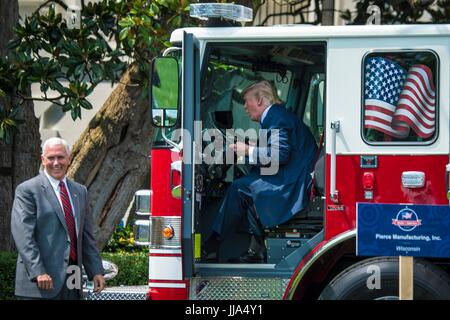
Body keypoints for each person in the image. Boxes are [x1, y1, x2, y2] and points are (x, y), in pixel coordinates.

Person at [203, 80, 317, 263]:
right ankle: (255, 249)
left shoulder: (276, 117)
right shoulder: (277, 116)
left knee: (240, 188)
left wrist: (247, 150)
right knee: (250, 182)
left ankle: (213, 245)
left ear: (260, 100)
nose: (245, 108)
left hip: (291, 182)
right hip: (293, 175)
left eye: (247, 101)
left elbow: (279, 155)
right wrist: (248, 146)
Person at [11, 137, 105, 300]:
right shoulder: (27, 190)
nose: (56, 163)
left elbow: (86, 235)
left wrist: (95, 270)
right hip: (40, 283)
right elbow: (23, 236)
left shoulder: (80, 191)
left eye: (60, 157)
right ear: (43, 159)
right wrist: (38, 271)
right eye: (51, 158)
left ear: (69, 159)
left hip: (72, 280)